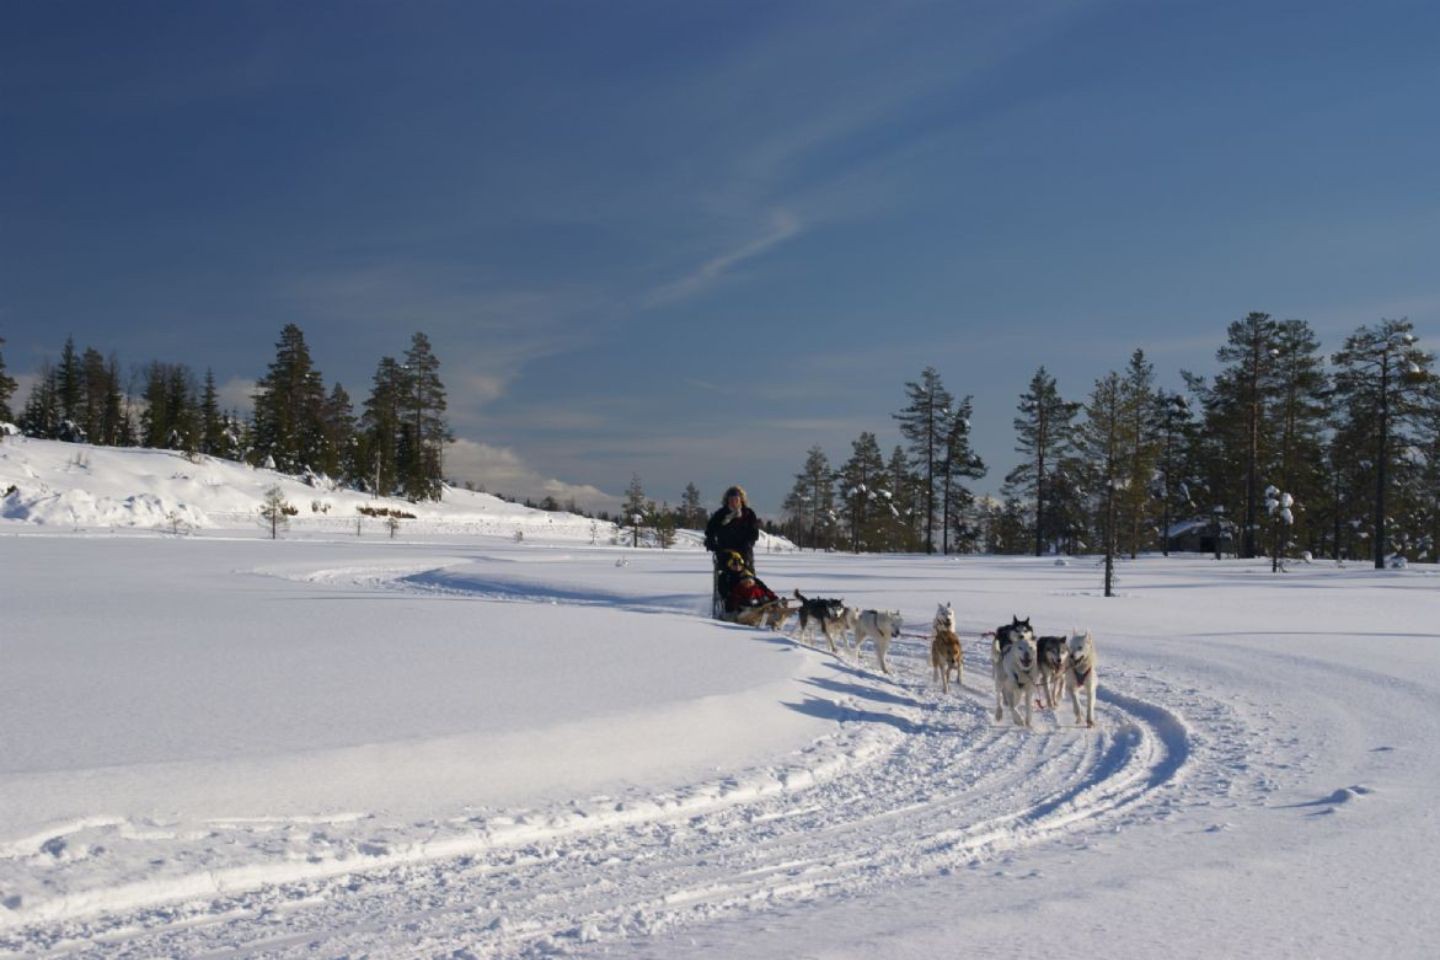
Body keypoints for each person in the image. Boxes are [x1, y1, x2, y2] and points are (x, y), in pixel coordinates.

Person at [704, 485, 761, 571]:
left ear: (741, 499)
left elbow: (754, 534)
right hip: (725, 552)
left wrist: (748, 544)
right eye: (731, 499)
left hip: (744, 553)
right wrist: (710, 542)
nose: (733, 502)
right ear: (727, 500)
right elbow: (710, 530)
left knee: (747, 580)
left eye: (736, 499)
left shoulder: (748, 514)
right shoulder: (720, 514)